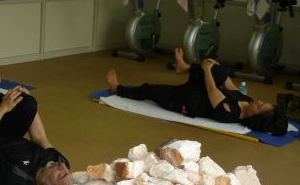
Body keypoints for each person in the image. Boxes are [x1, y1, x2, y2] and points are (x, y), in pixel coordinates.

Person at [106, 48, 288, 136]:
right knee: (218, 70)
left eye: (260, 106)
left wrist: (207, 69)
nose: (259, 101)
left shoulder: (229, 112)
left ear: (255, 117)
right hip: (199, 91)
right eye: (264, 102)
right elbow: (231, 87)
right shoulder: (247, 102)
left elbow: (211, 89)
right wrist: (216, 67)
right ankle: (184, 67)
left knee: (148, 89)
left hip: (185, 99)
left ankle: (117, 89)